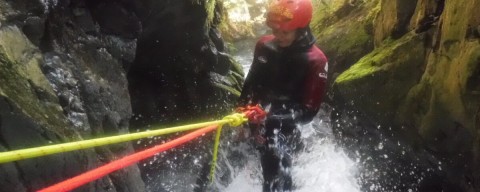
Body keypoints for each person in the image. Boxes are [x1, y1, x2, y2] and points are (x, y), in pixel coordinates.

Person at [237, 0, 328, 191]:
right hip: (255, 115)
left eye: (284, 32)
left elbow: (308, 112)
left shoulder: (316, 61)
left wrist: (269, 117)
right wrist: (241, 112)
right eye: (275, 30)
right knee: (216, 158)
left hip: (284, 124)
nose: (278, 36)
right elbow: (250, 84)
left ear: (302, 30)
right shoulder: (264, 46)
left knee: (274, 165)